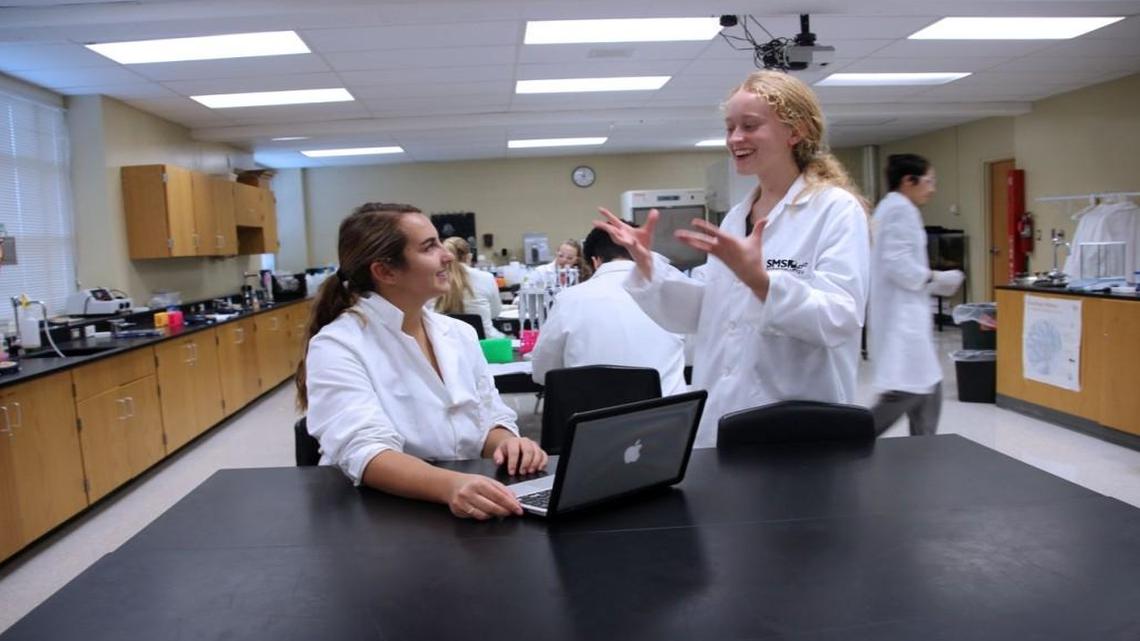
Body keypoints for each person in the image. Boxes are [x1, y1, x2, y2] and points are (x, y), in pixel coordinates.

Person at [594, 70, 870, 448]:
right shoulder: (737, 216)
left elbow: (840, 318)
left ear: (796, 131)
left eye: (749, 126)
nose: (735, 139)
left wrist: (761, 281)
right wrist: (647, 266)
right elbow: (704, 313)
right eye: (730, 128)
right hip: (723, 416)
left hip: (798, 421)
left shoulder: (833, 209)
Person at [296, 202, 547, 520]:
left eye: (439, 242)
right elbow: (366, 452)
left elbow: (487, 415)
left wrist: (510, 443)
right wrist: (451, 485)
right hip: (380, 516)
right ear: (385, 271)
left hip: (465, 499)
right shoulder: (337, 345)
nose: (448, 255)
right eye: (429, 247)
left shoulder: (458, 333)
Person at [868, 154, 964, 436]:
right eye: (929, 181)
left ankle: (922, 455)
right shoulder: (900, 210)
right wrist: (938, 278)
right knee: (907, 392)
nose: (932, 188)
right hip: (903, 320)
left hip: (905, 315)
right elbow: (898, 265)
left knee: (928, 388)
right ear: (908, 181)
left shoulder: (890, 208)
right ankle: (846, 446)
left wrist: (930, 280)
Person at [530, 225, 687, 395]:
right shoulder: (672, 292)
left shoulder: (568, 299)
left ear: (595, 260)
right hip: (672, 415)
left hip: (594, 417)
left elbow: (543, 372)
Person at [434, 236, 503, 338]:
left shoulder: (434, 279)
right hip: (484, 342)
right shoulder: (486, 277)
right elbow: (495, 313)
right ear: (469, 257)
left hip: (445, 342)